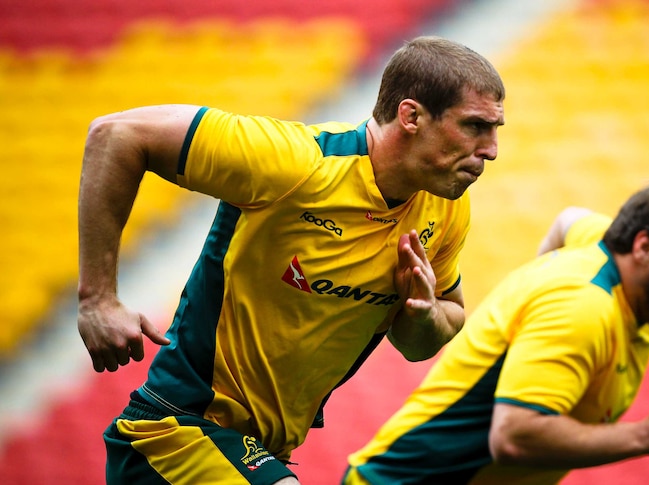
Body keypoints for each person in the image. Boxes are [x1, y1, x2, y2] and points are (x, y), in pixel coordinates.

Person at [77, 36, 505, 485]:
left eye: (495, 130)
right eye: (475, 126)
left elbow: (428, 336)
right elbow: (117, 135)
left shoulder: (445, 207)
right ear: (411, 115)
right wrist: (98, 300)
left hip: (259, 452)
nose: (491, 149)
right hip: (176, 431)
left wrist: (423, 314)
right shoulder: (296, 162)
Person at [343, 178, 649, 485]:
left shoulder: (609, 252)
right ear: (644, 247)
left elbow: (569, 219)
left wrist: (534, 292)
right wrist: (646, 436)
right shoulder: (582, 309)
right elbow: (515, 436)